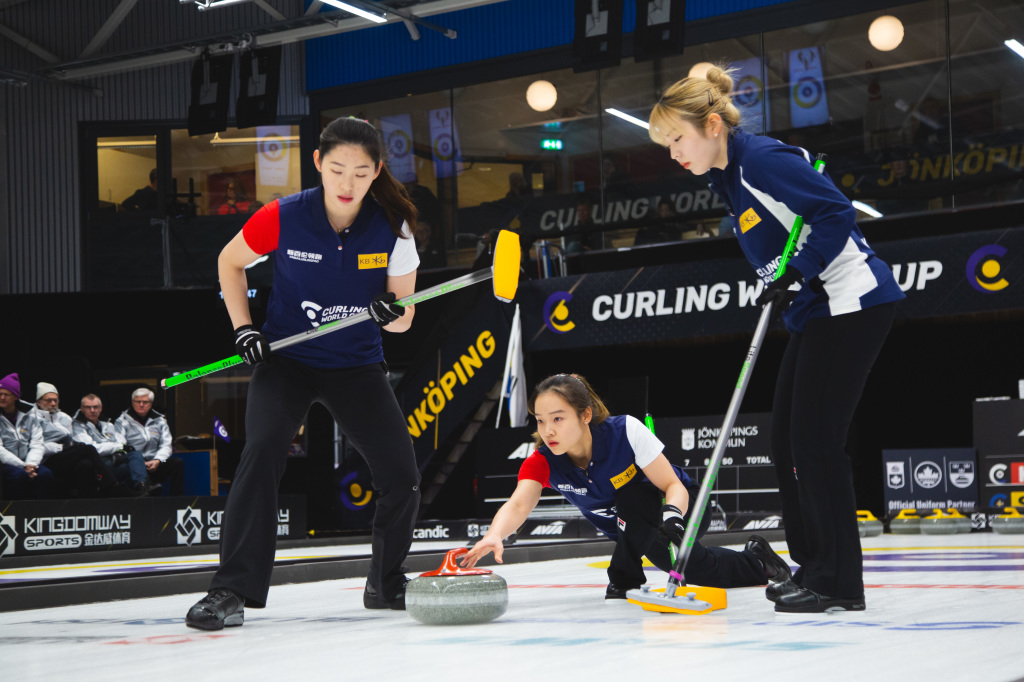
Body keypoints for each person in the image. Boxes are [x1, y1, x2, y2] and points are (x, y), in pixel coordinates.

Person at [648, 66, 905, 613]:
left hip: (850, 301)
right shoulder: (728, 171)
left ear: (713, 125)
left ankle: (837, 582)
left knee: (815, 443)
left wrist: (799, 271)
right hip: (815, 312)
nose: (672, 153)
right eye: (666, 143)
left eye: (677, 139)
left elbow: (836, 212)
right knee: (786, 441)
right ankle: (811, 568)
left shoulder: (761, 160)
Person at [185, 116, 421, 631]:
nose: (347, 183)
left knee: (401, 475)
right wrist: (243, 328)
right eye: (337, 169)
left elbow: (405, 319)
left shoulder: (393, 226)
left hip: (356, 364)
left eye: (361, 172)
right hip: (287, 360)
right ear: (318, 163)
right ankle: (230, 590)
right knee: (262, 453)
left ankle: (387, 581)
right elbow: (230, 263)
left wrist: (391, 311)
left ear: (377, 170)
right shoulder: (284, 216)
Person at [461, 374, 791, 600]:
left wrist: (673, 515)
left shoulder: (626, 432)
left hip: (684, 509)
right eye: (540, 420)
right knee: (691, 565)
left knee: (631, 495)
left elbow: (672, 484)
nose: (548, 429)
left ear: (585, 415)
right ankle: (757, 561)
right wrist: (495, 534)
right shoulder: (543, 461)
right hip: (636, 531)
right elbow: (519, 504)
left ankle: (624, 577)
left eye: (558, 418)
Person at [30, 381, 117, 498]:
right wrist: (62, 447)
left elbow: (72, 439)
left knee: (85, 464)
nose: (53, 403)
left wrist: (70, 447)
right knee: (88, 449)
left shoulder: (64, 417)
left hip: (66, 456)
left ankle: (87, 502)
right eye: (48, 400)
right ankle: (110, 485)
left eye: (55, 400)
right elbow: (37, 445)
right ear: (39, 402)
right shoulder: (32, 417)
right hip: (46, 458)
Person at [72, 394, 149, 497]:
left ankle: (142, 487)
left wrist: (118, 450)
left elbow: (121, 441)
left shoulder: (108, 424)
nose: (92, 410)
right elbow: (92, 448)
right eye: (88, 407)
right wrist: (118, 448)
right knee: (128, 467)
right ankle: (130, 491)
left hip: (114, 456)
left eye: (95, 407)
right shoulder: (76, 425)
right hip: (97, 462)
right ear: (82, 409)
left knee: (136, 455)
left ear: (101, 408)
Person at [117, 388, 184, 495]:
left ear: (151, 404)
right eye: (138, 402)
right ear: (132, 403)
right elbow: (119, 444)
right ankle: (145, 490)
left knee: (177, 463)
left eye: (145, 402)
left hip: (155, 461)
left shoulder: (160, 421)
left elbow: (166, 445)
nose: (141, 404)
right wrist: (139, 462)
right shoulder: (122, 421)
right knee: (133, 464)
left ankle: (177, 500)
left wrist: (157, 460)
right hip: (134, 463)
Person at [0, 373, 52, 499]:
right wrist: (23, 466)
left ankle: (37, 511)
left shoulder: (30, 414)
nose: (1, 398)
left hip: (28, 462)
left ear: (16, 396)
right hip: (5, 463)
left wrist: (31, 465)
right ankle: (16, 511)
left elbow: (37, 444)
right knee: (19, 475)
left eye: (6, 395)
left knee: (45, 474)